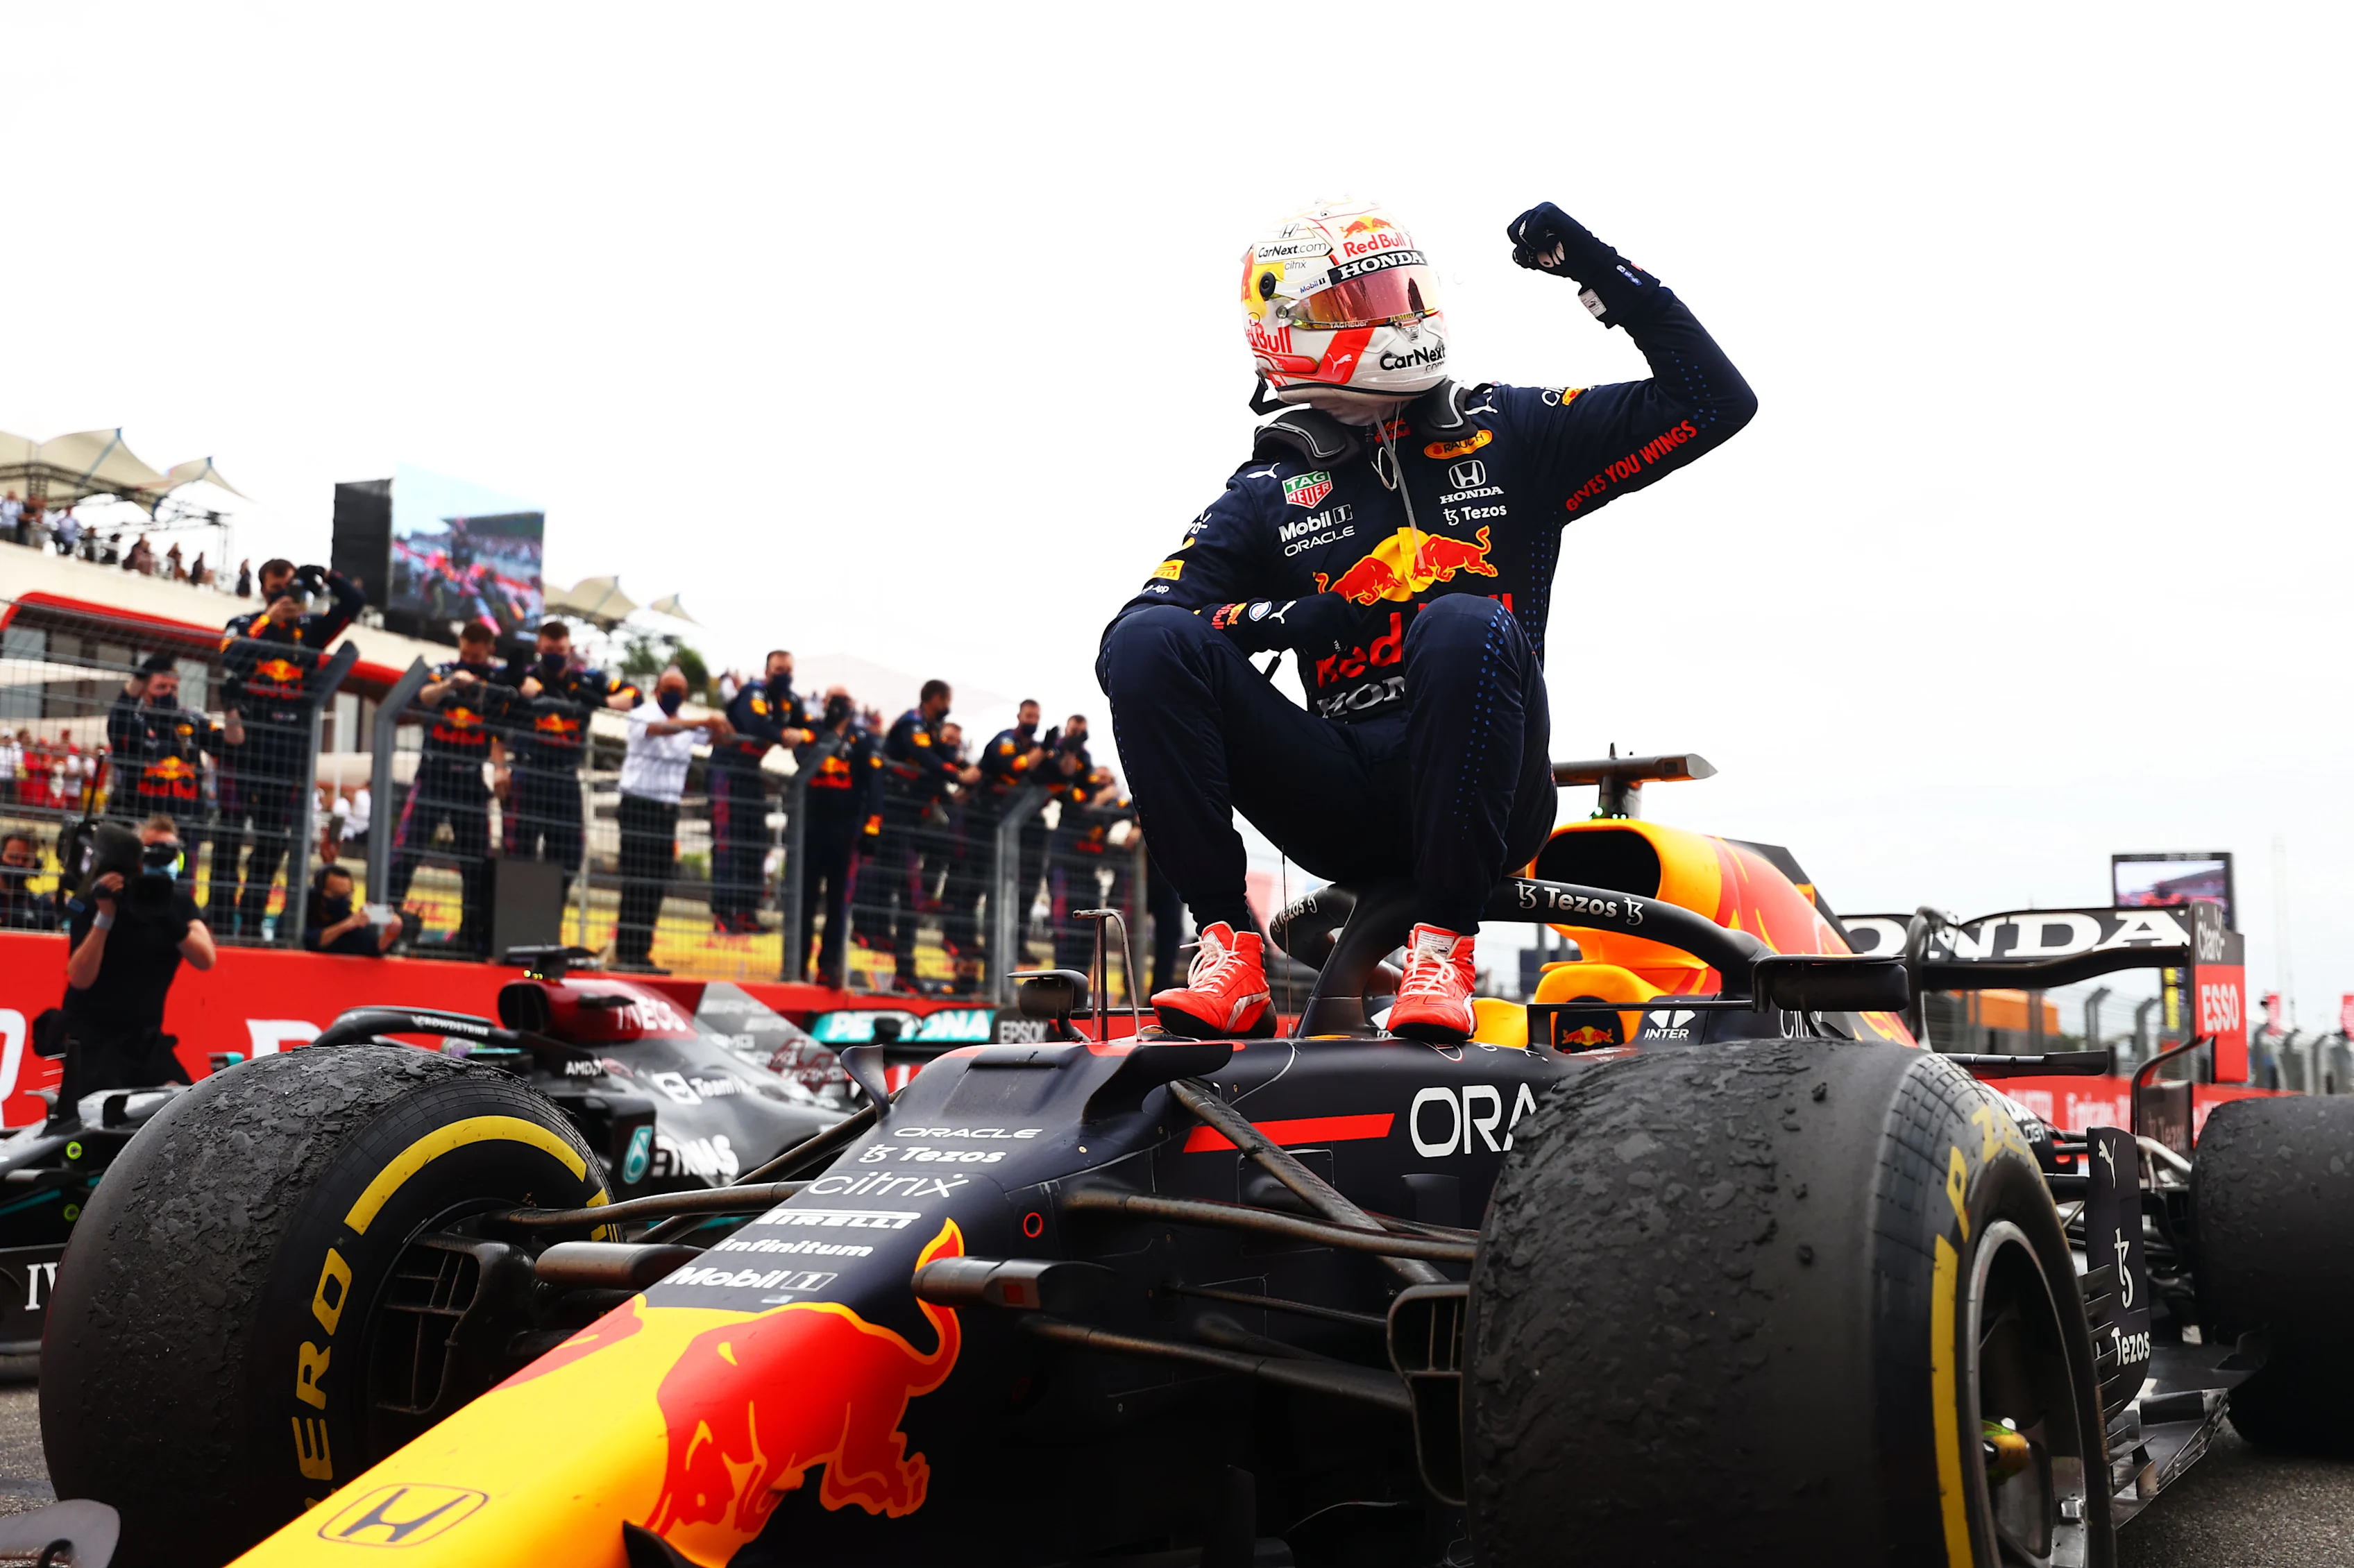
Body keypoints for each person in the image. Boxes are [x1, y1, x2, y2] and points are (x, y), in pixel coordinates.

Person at [1098, 199, 1755, 1041]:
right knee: (1148, 646)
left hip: (1496, 796)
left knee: (1458, 621)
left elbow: (1714, 402)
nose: (1396, 317)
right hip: (1342, 799)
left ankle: (1442, 945)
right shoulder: (1265, 491)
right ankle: (1230, 948)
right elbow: (1142, 630)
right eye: (1361, 304)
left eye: (1403, 292)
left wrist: (1598, 273)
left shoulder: (1508, 429)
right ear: (1284, 330)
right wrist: (1295, 617)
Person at [213, 560, 364, 939]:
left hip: (288, 752)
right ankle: (217, 920)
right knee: (228, 837)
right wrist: (268, 620)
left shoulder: (311, 630)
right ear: (263, 589)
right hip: (243, 747)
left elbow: (354, 603)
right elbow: (231, 658)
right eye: (276, 586)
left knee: (271, 844)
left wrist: (330, 577)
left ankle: (250, 924)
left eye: (289, 586)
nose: (283, 593)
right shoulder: (245, 624)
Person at [57, 816, 214, 1105]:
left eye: (170, 852)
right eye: (152, 850)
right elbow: (79, 978)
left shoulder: (178, 903)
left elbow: (206, 958)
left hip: (144, 1040)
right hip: (92, 1038)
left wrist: (165, 914)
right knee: (98, 1119)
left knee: (184, 1110)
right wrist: (105, 915)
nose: (160, 858)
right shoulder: (101, 896)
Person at [383, 621, 514, 953]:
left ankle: (470, 937)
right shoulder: (444, 670)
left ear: (489, 650)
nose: (469, 658)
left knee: (475, 862)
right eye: (465, 652)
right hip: (433, 776)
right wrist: (452, 684)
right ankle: (385, 923)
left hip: (470, 780)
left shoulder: (499, 680)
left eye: (476, 654)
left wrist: (500, 768)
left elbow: (500, 728)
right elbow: (424, 697)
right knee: (406, 852)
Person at [498, 620, 639, 886]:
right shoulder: (524, 676)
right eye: (549, 648)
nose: (555, 654)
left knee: (570, 856)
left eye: (560, 649)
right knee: (517, 855)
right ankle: (515, 920)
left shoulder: (587, 680)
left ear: (570, 649)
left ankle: (549, 914)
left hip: (566, 780)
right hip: (528, 776)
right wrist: (499, 768)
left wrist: (601, 702)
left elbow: (635, 695)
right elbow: (497, 717)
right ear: (539, 646)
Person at [614, 667, 729, 973]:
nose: (674, 694)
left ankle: (642, 953)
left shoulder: (689, 722)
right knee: (637, 878)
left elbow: (721, 737)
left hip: (667, 808)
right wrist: (705, 721)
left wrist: (719, 723)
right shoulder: (643, 713)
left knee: (656, 880)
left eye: (679, 689)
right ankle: (627, 953)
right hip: (639, 804)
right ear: (657, 689)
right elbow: (659, 729)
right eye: (669, 687)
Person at [869, 680, 976, 994]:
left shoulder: (931, 727)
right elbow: (927, 757)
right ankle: (890, 948)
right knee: (900, 888)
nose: (949, 706)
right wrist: (958, 775)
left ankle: (906, 959)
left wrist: (967, 769)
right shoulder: (913, 723)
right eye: (947, 700)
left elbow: (942, 754)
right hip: (892, 816)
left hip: (910, 823)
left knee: (917, 880)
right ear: (936, 699)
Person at [104, 656, 230, 886]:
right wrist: (138, 679)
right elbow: (116, 722)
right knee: (134, 884)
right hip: (142, 824)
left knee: (181, 887)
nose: (169, 693)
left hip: (185, 825)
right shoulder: (134, 721)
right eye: (161, 687)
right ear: (145, 691)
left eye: (173, 687)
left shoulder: (192, 722)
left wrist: (232, 709)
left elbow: (228, 744)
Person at [710, 649, 807, 934]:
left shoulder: (790, 701)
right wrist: (784, 736)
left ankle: (746, 912)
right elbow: (756, 724)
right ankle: (723, 912)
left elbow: (808, 727)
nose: (784, 675)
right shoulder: (754, 692)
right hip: (726, 771)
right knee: (728, 842)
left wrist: (803, 736)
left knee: (756, 843)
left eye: (788, 669)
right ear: (767, 671)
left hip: (752, 773)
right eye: (778, 669)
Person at [795, 687, 880, 985]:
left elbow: (875, 785)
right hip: (810, 827)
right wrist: (827, 735)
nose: (836, 706)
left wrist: (872, 827)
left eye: (842, 701)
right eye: (832, 700)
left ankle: (828, 966)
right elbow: (800, 755)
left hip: (846, 830)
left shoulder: (863, 739)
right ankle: (797, 962)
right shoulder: (811, 731)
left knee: (838, 902)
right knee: (803, 899)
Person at [303, 864, 401, 957]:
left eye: (347, 895)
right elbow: (311, 941)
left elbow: (374, 947)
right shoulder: (304, 914)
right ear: (320, 893)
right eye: (335, 895)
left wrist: (391, 933)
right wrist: (346, 925)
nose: (342, 900)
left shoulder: (347, 917)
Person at [0, 830, 57, 930]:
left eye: (26, 860)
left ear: (36, 865)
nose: (19, 864)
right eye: (13, 857)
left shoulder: (40, 907)